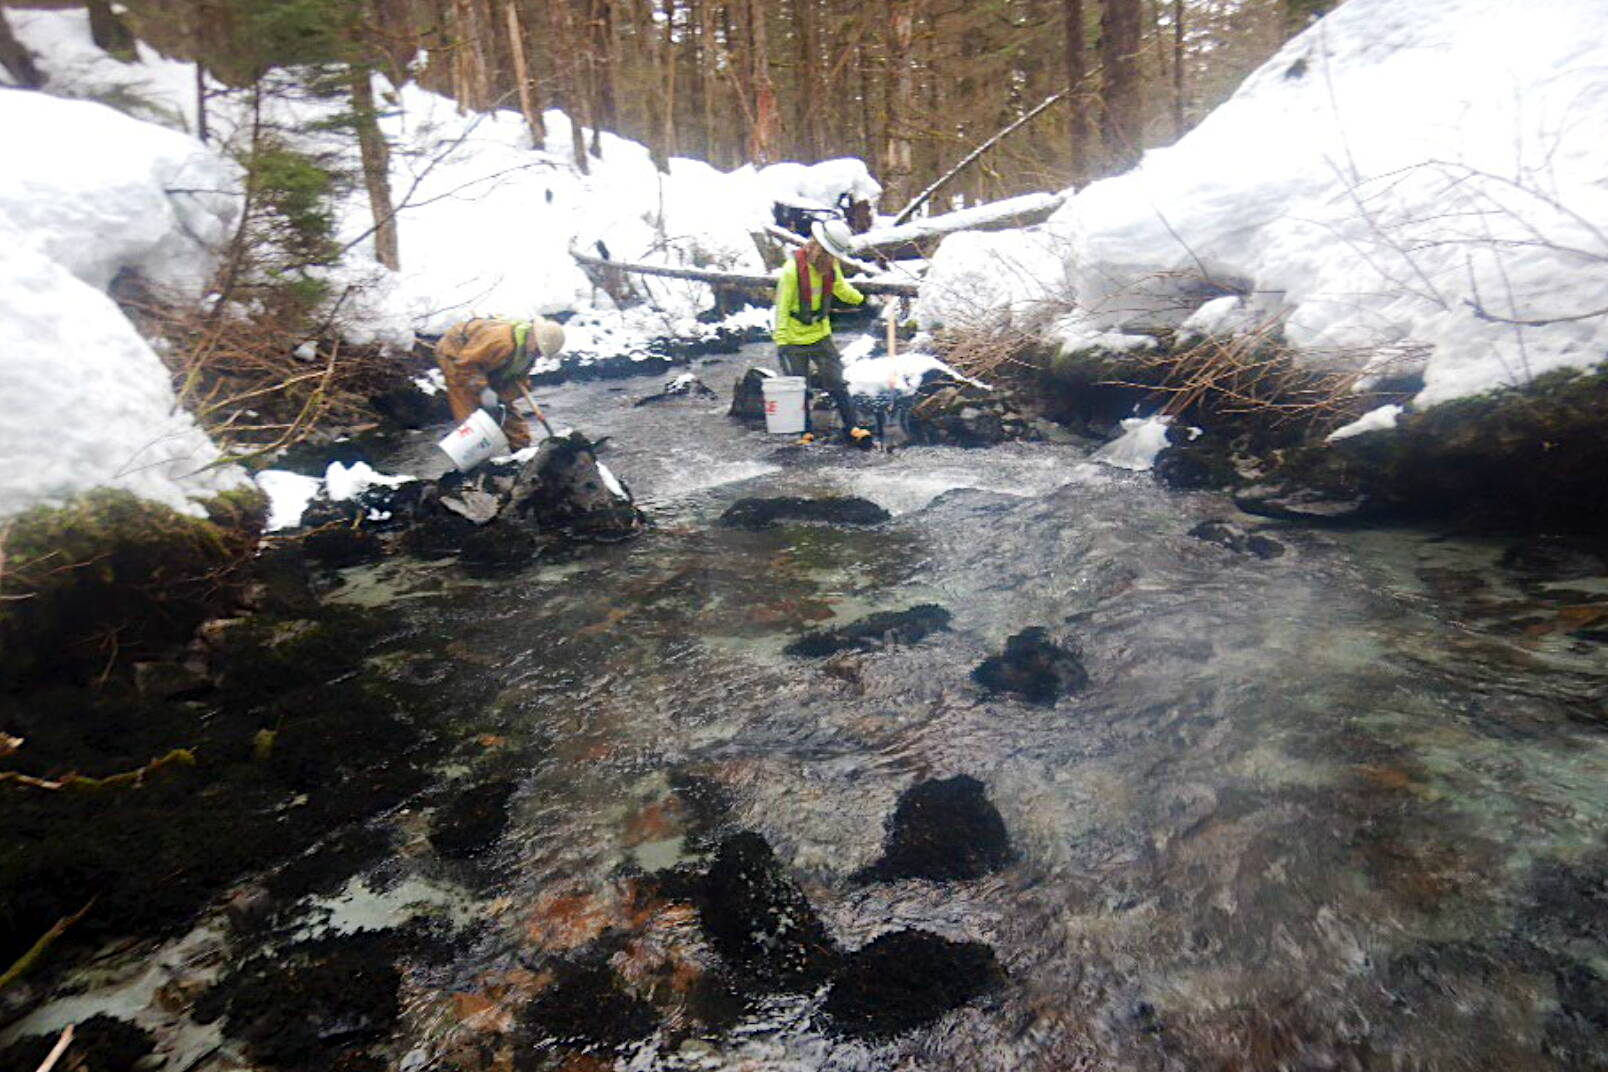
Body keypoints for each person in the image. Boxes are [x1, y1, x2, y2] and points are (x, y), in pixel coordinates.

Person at [772, 218, 870, 443]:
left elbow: (841, 289)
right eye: (830, 254)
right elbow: (782, 307)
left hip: (821, 334)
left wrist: (863, 300)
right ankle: (804, 431)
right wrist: (781, 342)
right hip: (794, 339)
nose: (833, 260)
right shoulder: (791, 271)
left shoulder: (830, 267)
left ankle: (852, 427)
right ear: (818, 248)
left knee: (837, 381)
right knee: (799, 388)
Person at [435, 315, 565, 450]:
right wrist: (483, 390)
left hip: (486, 365)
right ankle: (471, 457)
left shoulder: (528, 351)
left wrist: (501, 401)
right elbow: (466, 365)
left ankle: (521, 453)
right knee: (472, 417)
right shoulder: (501, 341)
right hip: (456, 355)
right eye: (538, 350)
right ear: (534, 336)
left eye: (540, 353)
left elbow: (517, 379)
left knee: (511, 421)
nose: (537, 355)